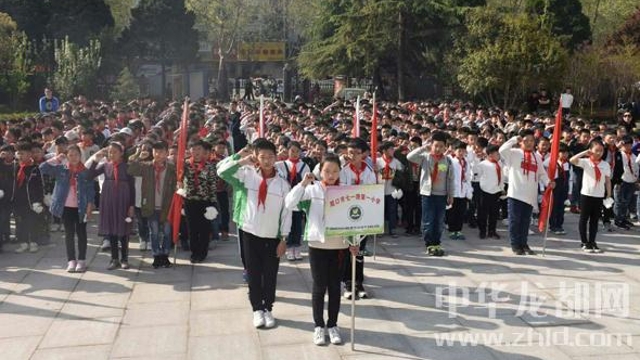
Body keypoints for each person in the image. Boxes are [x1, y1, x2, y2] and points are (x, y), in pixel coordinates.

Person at [217, 138, 292, 329]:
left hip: (272, 236)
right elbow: (221, 171)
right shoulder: (247, 175)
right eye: (262, 156)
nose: (267, 160)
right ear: (256, 157)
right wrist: (241, 159)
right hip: (250, 232)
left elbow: (286, 213)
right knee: (253, 273)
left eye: (270, 157)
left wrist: (284, 239)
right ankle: (257, 309)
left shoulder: (283, 185)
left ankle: (268, 308)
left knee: (270, 274)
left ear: (276, 158)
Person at [285, 156, 358, 346]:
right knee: (319, 287)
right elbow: (290, 203)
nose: (331, 175)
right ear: (320, 171)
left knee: (335, 287)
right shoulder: (312, 190)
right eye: (327, 171)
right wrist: (303, 182)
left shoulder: (347, 191)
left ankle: (332, 325)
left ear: (340, 172)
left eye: (335, 171)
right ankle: (318, 326)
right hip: (318, 244)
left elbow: (354, 219)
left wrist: (353, 241)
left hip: (339, 246)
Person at [40, 145, 95, 272]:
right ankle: (71, 260)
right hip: (65, 207)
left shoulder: (85, 172)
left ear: (80, 156)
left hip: (81, 208)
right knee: (69, 234)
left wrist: (90, 206)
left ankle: (81, 260)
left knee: (82, 234)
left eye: (76, 154)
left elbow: (91, 191)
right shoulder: (62, 169)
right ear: (67, 156)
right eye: (70, 155)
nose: (73, 157)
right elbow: (42, 168)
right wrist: (57, 159)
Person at [499, 129, 553, 255]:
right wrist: (514, 139)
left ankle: (524, 243)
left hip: (530, 195)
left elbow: (542, 174)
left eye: (531, 141)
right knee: (515, 220)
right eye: (526, 140)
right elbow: (502, 150)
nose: (529, 143)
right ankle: (515, 244)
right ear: (521, 142)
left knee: (525, 222)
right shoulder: (514, 153)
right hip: (516, 194)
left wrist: (548, 182)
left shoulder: (537, 157)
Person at [128, 140, 177, 268]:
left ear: (167, 153)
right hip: (151, 205)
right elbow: (131, 170)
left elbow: (178, 182)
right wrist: (139, 156)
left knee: (167, 232)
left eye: (161, 151)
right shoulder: (146, 166)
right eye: (156, 151)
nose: (158, 154)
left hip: (166, 205)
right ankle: (156, 254)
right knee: (153, 232)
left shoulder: (171, 168)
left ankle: (165, 255)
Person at [86, 142, 135, 270]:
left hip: (123, 200)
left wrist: (131, 205)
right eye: (109, 152)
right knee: (112, 229)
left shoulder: (127, 167)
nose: (111, 154)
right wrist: (95, 161)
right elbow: (89, 176)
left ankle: (124, 258)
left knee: (124, 230)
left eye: (114, 152)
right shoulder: (105, 166)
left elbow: (132, 187)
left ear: (121, 153)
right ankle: (114, 259)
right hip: (108, 200)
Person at [407, 131, 455, 256]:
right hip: (427, 194)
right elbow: (409, 157)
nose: (438, 149)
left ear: (445, 147)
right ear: (431, 145)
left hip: (442, 195)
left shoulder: (448, 161)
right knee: (428, 220)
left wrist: (451, 195)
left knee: (439, 221)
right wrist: (424, 147)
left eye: (441, 146)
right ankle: (429, 244)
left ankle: (437, 242)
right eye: (435, 145)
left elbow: (450, 179)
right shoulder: (425, 157)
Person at [339, 139, 376, 299]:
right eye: (350, 153)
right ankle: (348, 283)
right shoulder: (344, 170)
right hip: (347, 215)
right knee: (348, 250)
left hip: (364, 215)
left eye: (357, 153)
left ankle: (359, 282)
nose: (353, 156)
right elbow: (342, 191)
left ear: (364, 154)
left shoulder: (369, 171)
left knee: (360, 250)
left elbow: (372, 192)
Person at [181, 140, 219, 263]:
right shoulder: (185, 165)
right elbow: (178, 179)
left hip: (205, 201)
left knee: (204, 228)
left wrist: (213, 203)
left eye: (199, 149)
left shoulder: (209, 166)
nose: (196, 152)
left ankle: (202, 252)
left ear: (204, 152)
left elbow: (213, 185)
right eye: (194, 149)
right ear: (190, 150)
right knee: (192, 228)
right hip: (189, 201)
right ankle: (194, 252)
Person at [570, 140, 611, 253]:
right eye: (596, 150)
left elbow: (607, 180)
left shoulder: (605, 164)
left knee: (594, 220)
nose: (599, 153)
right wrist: (584, 153)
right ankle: (584, 242)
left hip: (598, 196)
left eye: (601, 151)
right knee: (584, 219)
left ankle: (592, 241)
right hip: (586, 195)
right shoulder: (586, 162)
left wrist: (609, 193)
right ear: (591, 150)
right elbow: (572, 160)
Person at [275, 141, 310, 260]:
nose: (295, 154)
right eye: (292, 151)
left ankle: (297, 247)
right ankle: (289, 248)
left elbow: (308, 183)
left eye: (297, 151)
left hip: (299, 199)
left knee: (297, 224)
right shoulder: (281, 164)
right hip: (286, 199)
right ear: (287, 151)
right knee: (287, 223)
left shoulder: (304, 166)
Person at [12, 142, 45, 254]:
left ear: (30, 154)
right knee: (20, 222)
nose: (20, 156)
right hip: (18, 200)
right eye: (18, 153)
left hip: (31, 201)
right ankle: (24, 242)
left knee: (32, 221)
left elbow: (40, 186)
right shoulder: (16, 168)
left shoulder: (35, 169)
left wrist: (39, 201)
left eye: (23, 153)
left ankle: (33, 242)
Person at [475, 144, 504, 239]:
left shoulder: (499, 164)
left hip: (496, 191)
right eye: (497, 154)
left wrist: (502, 188)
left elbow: (502, 177)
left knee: (494, 213)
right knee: (483, 213)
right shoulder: (483, 164)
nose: (498, 155)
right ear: (490, 154)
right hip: (485, 191)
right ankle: (482, 230)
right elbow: (476, 175)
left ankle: (492, 230)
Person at [376, 141, 403, 238]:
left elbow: (402, 172)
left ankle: (392, 229)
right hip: (379, 190)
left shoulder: (395, 161)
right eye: (391, 149)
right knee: (380, 210)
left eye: (393, 149)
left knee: (392, 210)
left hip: (392, 190)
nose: (393, 151)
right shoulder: (378, 161)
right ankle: (380, 229)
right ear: (384, 150)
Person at [447, 140, 472, 240]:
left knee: (461, 212)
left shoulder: (466, 162)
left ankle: (458, 230)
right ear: (454, 150)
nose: (461, 153)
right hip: (453, 191)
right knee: (452, 212)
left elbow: (468, 177)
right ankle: (452, 230)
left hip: (463, 191)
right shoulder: (450, 161)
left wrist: (469, 190)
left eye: (463, 151)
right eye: (459, 151)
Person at [546, 143, 571, 235]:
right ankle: (553, 225)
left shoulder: (568, 164)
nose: (564, 155)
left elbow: (570, 179)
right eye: (562, 152)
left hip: (564, 188)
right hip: (555, 188)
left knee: (561, 208)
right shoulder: (553, 162)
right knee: (554, 207)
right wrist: (553, 157)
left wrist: (569, 192)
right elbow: (545, 164)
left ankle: (559, 225)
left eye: (566, 153)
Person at [614, 135, 637, 229]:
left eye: (630, 145)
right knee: (619, 201)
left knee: (626, 202)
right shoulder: (618, 154)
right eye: (625, 145)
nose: (627, 147)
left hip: (631, 181)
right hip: (621, 180)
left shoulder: (634, 156)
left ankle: (623, 218)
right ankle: (618, 220)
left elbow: (636, 168)